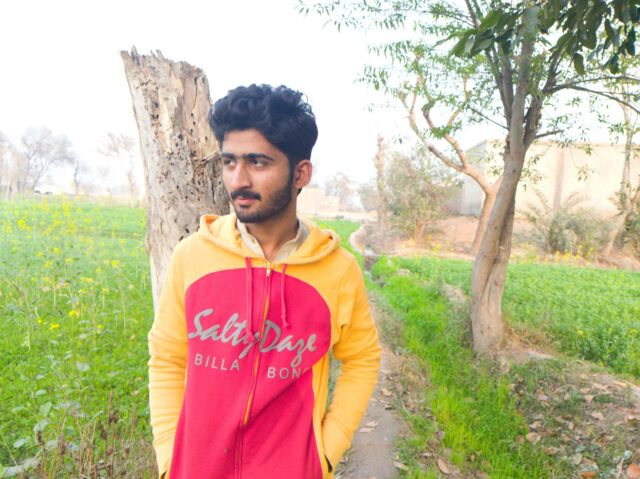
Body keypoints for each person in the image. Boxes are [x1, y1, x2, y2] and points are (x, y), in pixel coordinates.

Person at [147, 84, 381, 479]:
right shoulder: (193, 256)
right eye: (229, 162)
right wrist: (170, 455)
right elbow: (168, 357)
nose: (238, 180)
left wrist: (325, 452)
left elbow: (362, 358)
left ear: (300, 173)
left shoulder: (337, 271)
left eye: (257, 162)